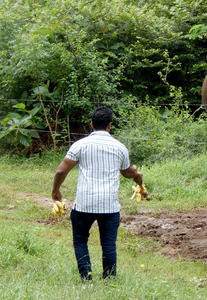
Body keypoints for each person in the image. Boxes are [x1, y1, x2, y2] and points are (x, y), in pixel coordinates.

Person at [52, 106, 142, 281]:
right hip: (109, 205)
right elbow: (127, 172)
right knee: (108, 245)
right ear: (109, 126)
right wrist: (137, 175)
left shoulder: (80, 145)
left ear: (91, 125)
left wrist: (56, 190)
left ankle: (86, 278)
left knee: (80, 241)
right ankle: (109, 280)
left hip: (84, 203)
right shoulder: (119, 147)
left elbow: (61, 172)